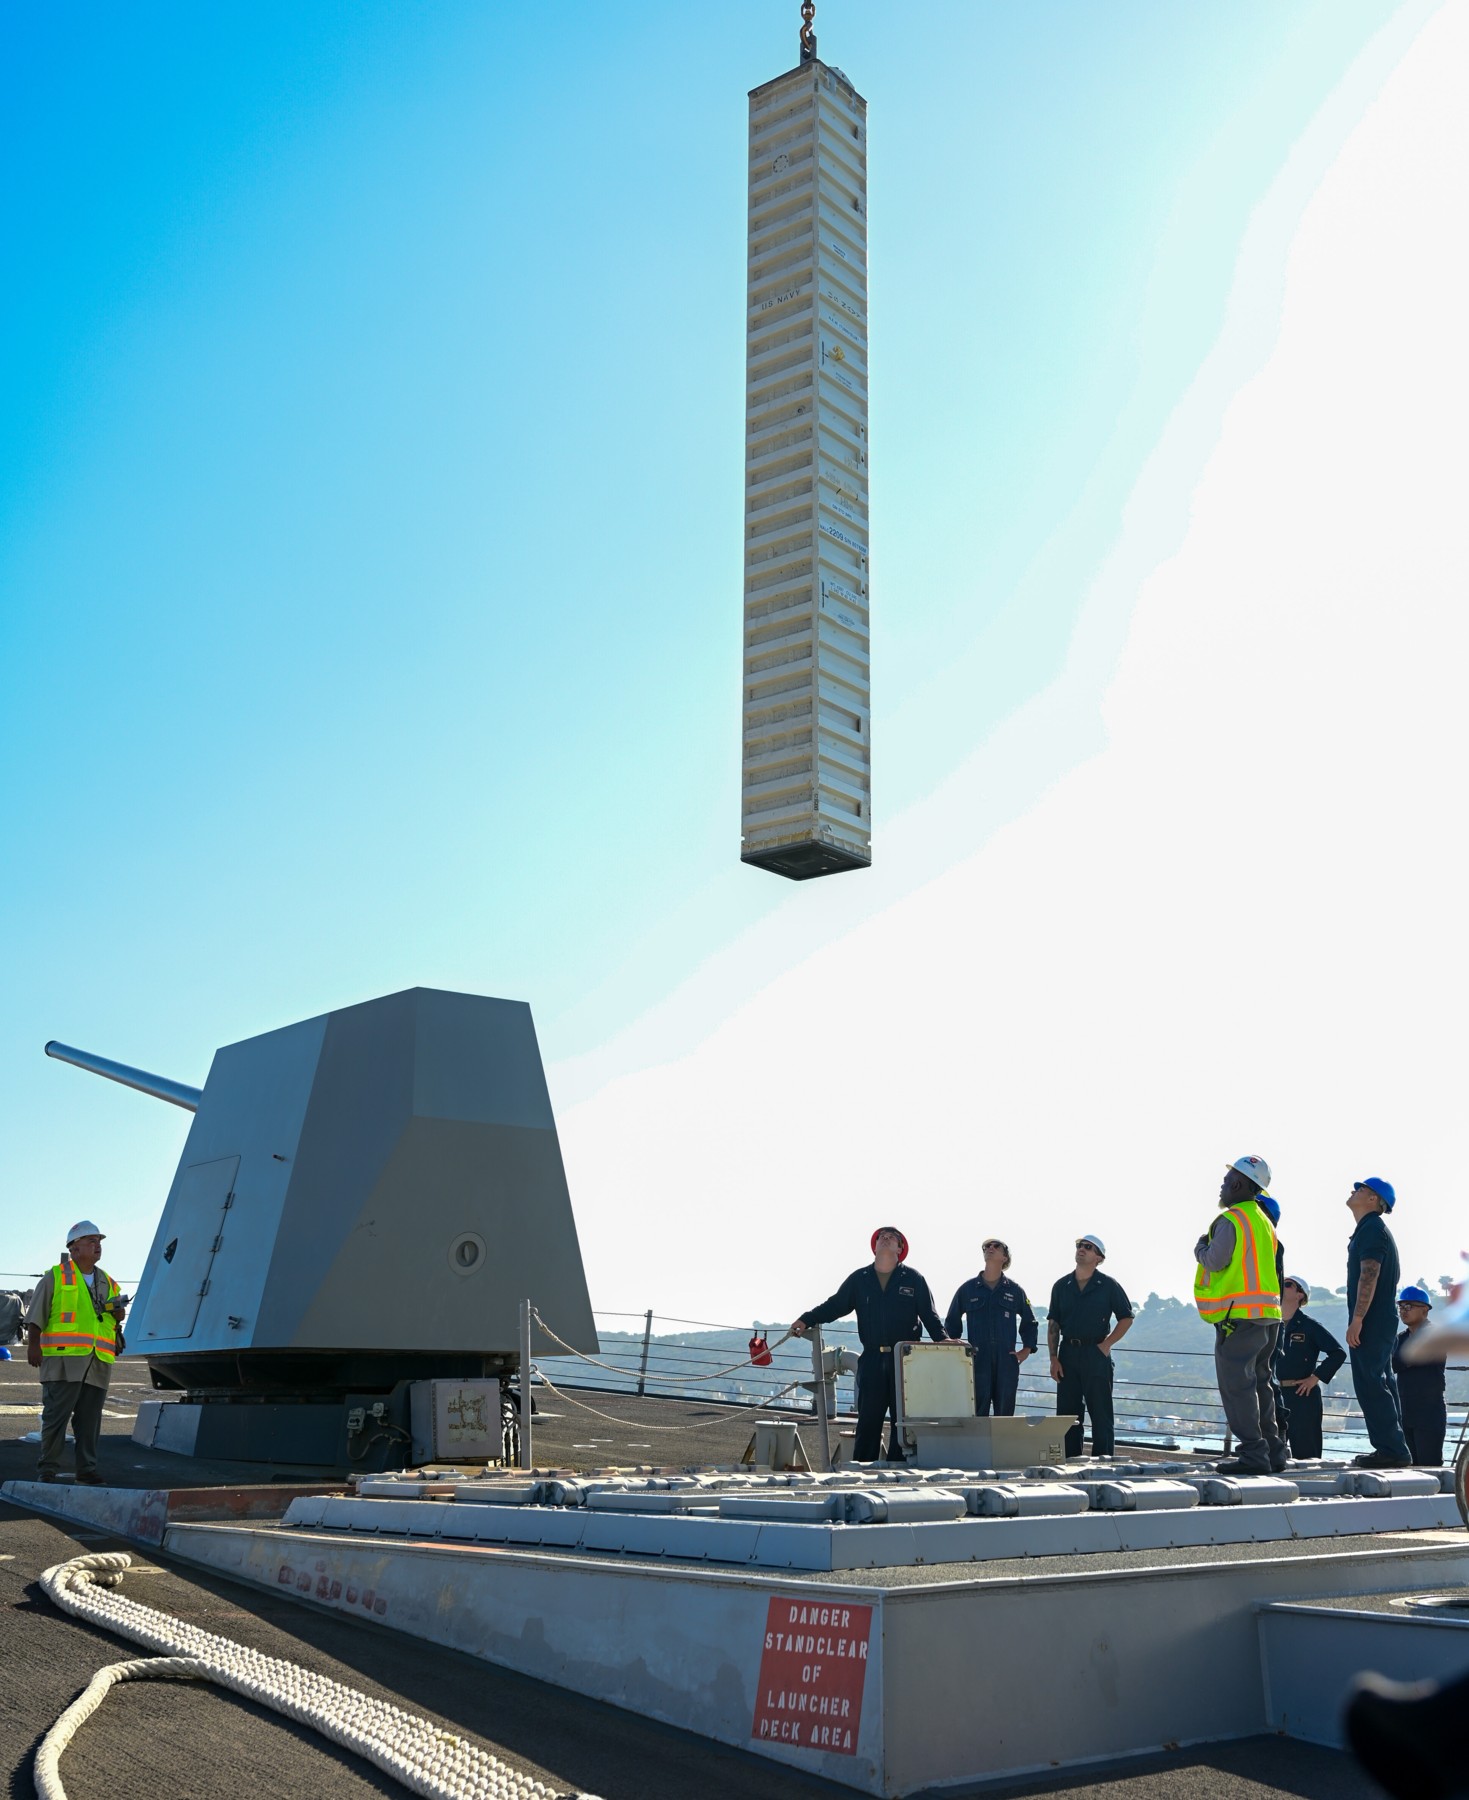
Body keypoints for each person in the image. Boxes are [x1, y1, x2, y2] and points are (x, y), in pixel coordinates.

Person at [792, 1226, 949, 1462]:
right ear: (874, 1247)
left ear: (900, 1248)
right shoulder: (860, 1279)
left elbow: (929, 1315)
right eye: (881, 1238)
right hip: (872, 1360)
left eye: (891, 1238)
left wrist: (944, 1341)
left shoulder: (914, 1279)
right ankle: (862, 1472)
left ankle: (900, 1471)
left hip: (904, 1361)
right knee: (868, 1422)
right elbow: (834, 1306)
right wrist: (806, 1319)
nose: (885, 1239)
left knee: (903, 1424)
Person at [1195, 1154, 1285, 1475]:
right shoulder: (1263, 1221)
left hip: (1239, 1318)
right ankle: (1273, 1451)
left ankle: (1252, 1455)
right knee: (1261, 1383)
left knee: (1238, 1387)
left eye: (1226, 1180)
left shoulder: (1232, 1220)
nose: (1221, 1185)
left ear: (1237, 1183)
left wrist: (1200, 1247)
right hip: (1268, 1315)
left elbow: (1215, 1260)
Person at [23, 1220, 128, 1485]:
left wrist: (118, 1319)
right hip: (63, 1360)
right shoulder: (56, 1277)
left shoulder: (108, 1281)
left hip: (98, 1360)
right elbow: (36, 1315)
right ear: (73, 1247)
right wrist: (34, 1346)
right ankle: (48, 1469)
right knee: (55, 1419)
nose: (97, 1246)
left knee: (90, 1422)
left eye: (99, 1242)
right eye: (91, 1241)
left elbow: (113, 1318)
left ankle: (86, 1470)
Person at [1344, 1177, 1412, 1468]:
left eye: (1360, 1189)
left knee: (1370, 1383)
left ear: (1373, 1199)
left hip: (1371, 1322)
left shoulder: (1372, 1229)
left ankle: (1392, 1450)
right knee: (1381, 1381)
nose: (1353, 1190)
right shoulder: (1370, 1229)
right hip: (1378, 1321)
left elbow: (1369, 1273)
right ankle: (1393, 1447)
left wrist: (1357, 1319)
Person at [1046, 1234, 1133, 1459]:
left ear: (1099, 1257)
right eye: (1079, 1246)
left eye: (1088, 1247)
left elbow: (1126, 1317)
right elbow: (1053, 1324)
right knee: (1067, 1415)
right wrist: (1053, 1359)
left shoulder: (1108, 1285)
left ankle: (1103, 1464)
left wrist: (1106, 1345)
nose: (1081, 1249)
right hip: (1067, 1354)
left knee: (1101, 1414)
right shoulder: (1061, 1286)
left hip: (1096, 1353)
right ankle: (1069, 1462)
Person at [944, 1237, 1038, 1417]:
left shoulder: (1014, 1290)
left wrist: (1025, 1351)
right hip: (977, 1360)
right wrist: (956, 1351)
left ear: (1005, 1258)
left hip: (1006, 1361)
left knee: (1004, 1414)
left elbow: (1030, 1321)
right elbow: (951, 1321)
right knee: (977, 1413)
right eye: (987, 1246)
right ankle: (977, 1446)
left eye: (996, 1246)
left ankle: (1003, 1446)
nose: (990, 1248)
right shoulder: (968, 1289)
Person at [1273, 1277, 1346, 1459]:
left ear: (1300, 1295)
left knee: (1307, 1455)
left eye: (1287, 1284)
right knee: (1271, 1455)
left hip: (1303, 1397)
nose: (1282, 1286)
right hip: (1274, 1396)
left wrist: (1315, 1378)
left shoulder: (1310, 1326)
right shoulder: (1270, 1324)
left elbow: (1338, 1353)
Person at [1392, 1285, 1447, 1467]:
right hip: (1406, 1409)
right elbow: (1395, 1364)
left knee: (1429, 1465)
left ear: (1424, 1310)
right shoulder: (1400, 1338)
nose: (1403, 1311)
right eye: (1401, 1307)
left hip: (1429, 1411)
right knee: (1410, 1467)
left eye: (1409, 1306)